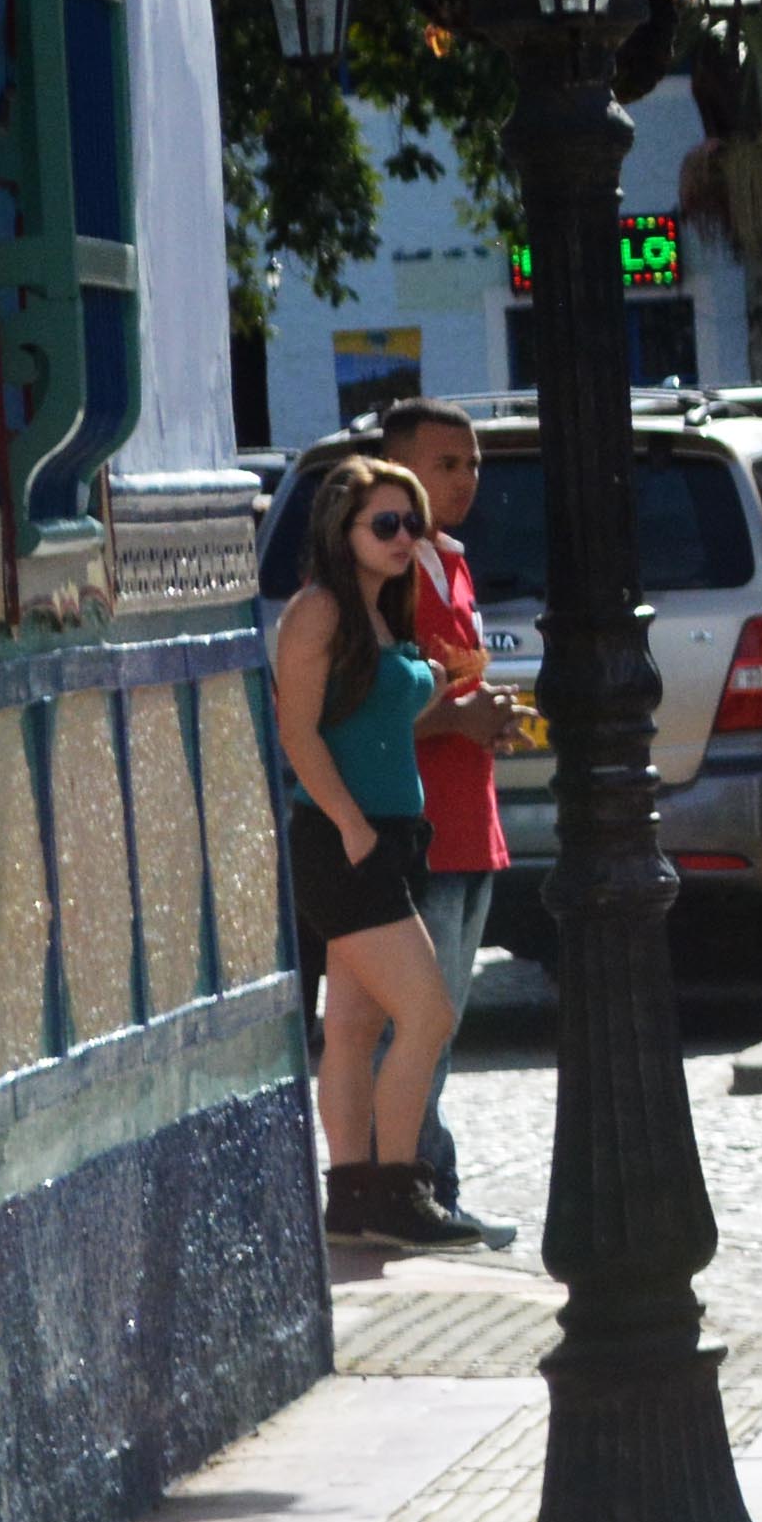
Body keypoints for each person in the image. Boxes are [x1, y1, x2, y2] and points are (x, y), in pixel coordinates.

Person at [274, 452, 479, 1244]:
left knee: (355, 1031)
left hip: (391, 839)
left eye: (412, 524)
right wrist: (353, 827)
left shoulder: (384, 616)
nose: (402, 537)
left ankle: (353, 1200)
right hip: (343, 841)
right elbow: (297, 732)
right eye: (385, 524)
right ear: (344, 530)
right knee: (428, 1014)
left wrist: (438, 573)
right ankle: (402, 1191)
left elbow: (446, 676)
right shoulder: (320, 612)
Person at [367, 400, 524, 1248]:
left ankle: (422, 1187)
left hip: (474, 828)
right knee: (415, 1024)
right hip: (421, 832)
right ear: (398, 472)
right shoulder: (387, 577)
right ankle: (410, 1190)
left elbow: (448, 690)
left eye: (472, 463)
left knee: (440, 1024)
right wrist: (454, 724)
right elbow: (361, 710)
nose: (466, 480)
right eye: (445, 464)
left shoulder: (451, 565)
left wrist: (485, 719)